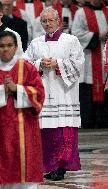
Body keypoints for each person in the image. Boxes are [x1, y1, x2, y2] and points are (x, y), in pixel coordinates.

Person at [0, 31, 45, 188]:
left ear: (16, 47)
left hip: (25, 131)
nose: (6, 49)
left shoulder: (28, 69)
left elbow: (39, 94)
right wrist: (2, 91)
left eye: (10, 45)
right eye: (2, 46)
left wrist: (16, 89)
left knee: (24, 179)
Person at [24, 7, 84, 181]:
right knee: (48, 133)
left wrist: (57, 64)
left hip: (64, 93)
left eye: (51, 20)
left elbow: (78, 63)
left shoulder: (71, 40)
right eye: (44, 21)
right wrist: (39, 64)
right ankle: (50, 166)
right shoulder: (36, 43)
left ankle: (61, 167)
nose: (48, 24)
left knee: (63, 132)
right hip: (44, 94)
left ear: (58, 21)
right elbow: (25, 64)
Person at [71, 0, 108, 128]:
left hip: (105, 56)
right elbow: (76, 33)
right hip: (89, 56)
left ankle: (103, 120)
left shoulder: (107, 10)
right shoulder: (81, 13)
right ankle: (88, 120)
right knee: (87, 89)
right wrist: (97, 36)